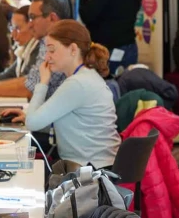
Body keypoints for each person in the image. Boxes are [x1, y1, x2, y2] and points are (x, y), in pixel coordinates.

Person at [8, 20, 120, 168]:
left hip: (89, 173)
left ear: (73, 49)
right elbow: (72, 122)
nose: (47, 57)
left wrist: (43, 82)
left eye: (52, 50)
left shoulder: (77, 84)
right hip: (98, 166)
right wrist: (29, 114)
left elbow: (32, 123)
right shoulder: (86, 76)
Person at [0, 0, 70, 99]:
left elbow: (32, 88)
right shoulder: (47, 41)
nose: (30, 24)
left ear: (52, 18)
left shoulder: (61, 43)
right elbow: (30, 79)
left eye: (32, 17)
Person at [0, 5, 39, 81]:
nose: (13, 35)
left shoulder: (38, 48)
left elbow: (25, 83)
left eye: (17, 28)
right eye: (12, 28)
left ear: (32, 26)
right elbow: (9, 75)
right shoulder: (24, 49)